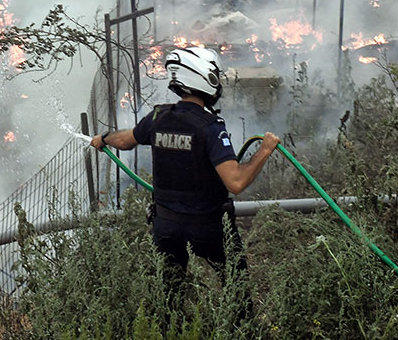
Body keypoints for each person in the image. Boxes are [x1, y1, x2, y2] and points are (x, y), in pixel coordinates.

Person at [90, 46, 280, 299]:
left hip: (166, 226)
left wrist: (103, 138)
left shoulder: (158, 116)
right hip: (208, 226)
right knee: (236, 289)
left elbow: (125, 140)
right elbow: (236, 182)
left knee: (170, 295)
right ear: (203, 78)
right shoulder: (211, 128)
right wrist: (264, 150)